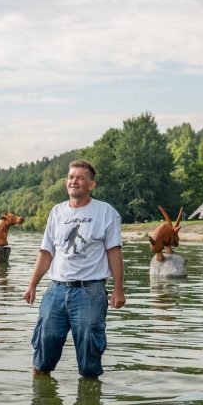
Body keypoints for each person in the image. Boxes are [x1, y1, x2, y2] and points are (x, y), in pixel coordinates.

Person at [23, 159, 125, 378]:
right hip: (56, 290)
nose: (74, 181)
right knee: (43, 350)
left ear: (91, 184)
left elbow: (114, 252)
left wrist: (118, 289)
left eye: (80, 177)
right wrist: (32, 284)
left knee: (89, 358)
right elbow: (46, 252)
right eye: (70, 177)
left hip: (90, 292)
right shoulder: (57, 212)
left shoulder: (106, 212)